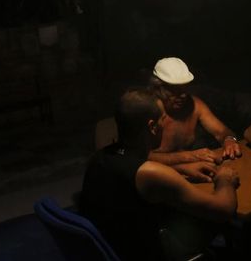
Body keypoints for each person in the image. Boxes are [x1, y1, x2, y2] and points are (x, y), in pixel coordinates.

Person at [80, 89, 240, 261]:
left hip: (113, 246)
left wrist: (181, 169)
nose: (166, 123)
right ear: (152, 127)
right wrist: (224, 178)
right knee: (224, 222)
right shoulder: (151, 173)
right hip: (149, 251)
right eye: (163, 119)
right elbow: (224, 210)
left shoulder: (98, 158)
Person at [148, 57, 242, 165]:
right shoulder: (147, 112)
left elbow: (222, 132)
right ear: (158, 88)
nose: (183, 95)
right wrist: (189, 156)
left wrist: (229, 140)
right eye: (175, 89)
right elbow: (138, 157)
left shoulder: (194, 105)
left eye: (184, 88)